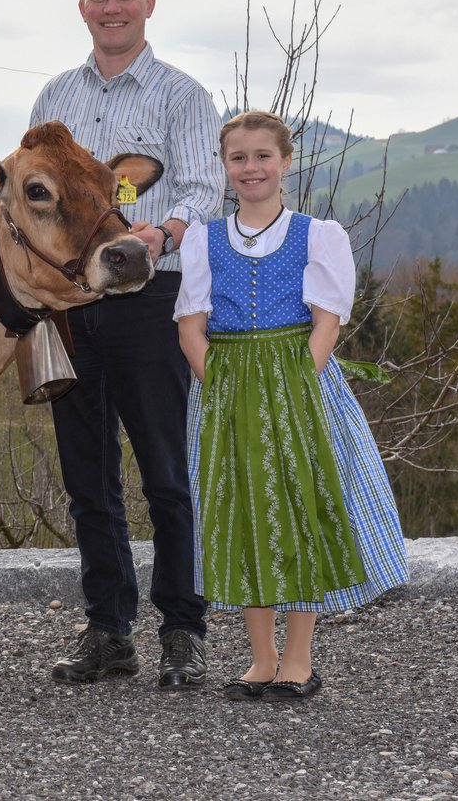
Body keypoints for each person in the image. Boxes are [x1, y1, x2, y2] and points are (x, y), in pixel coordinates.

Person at [30, 0, 225, 689]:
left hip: (151, 298)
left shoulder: (182, 96)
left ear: (149, 4)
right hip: (73, 303)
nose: (112, 8)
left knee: (167, 476)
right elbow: (29, 198)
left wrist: (160, 235)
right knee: (89, 482)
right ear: (82, 7)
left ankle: (183, 629)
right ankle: (109, 630)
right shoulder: (53, 99)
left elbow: (204, 191)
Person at [176, 111, 408, 701]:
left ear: (285, 161)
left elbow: (327, 322)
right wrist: (219, 387)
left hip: (302, 381)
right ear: (224, 166)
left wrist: (296, 384)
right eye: (238, 157)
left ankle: (299, 659)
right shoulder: (203, 239)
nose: (250, 168)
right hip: (227, 386)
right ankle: (261, 658)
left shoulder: (317, 235)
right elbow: (190, 328)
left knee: (303, 508)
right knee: (241, 512)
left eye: (262, 156)